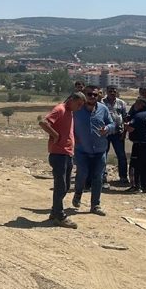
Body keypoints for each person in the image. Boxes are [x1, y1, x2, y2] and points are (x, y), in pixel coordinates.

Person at [38, 92, 85, 228]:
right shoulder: (60, 109)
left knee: (64, 186)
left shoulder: (69, 112)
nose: (79, 108)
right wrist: (56, 135)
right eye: (79, 104)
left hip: (67, 153)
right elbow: (43, 122)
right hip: (59, 154)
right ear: (71, 100)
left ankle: (55, 211)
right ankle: (60, 215)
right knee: (60, 186)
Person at [71, 85, 115, 216]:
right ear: (84, 94)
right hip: (81, 150)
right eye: (89, 94)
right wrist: (73, 136)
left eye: (95, 95)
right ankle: (78, 193)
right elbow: (68, 124)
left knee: (98, 177)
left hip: (100, 150)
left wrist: (107, 128)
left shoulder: (103, 109)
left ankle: (95, 205)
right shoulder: (77, 109)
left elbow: (112, 124)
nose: (92, 97)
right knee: (82, 174)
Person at [125, 97, 146, 193]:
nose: (134, 105)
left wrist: (126, 125)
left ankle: (135, 186)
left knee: (135, 165)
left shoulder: (138, 116)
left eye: (136, 103)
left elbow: (131, 129)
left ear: (141, 105)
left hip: (140, 144)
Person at [102, 86, 129, 185]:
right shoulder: (101, 103)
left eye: (114, 91)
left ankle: (123, 177)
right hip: (105, 134)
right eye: (110, 91)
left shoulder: (121, 103)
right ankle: (103, 177)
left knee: (121, 156)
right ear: (106, 92)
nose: (112, 93)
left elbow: (125, 118)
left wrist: (125, 133)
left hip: (118, 133)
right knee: (103, 155)